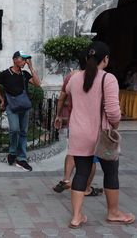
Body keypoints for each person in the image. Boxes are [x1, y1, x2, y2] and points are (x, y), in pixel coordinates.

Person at [65, 41, 135, 228]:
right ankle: (113, 213)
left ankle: (76, 216)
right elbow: (112, 111)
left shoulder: (74, 78)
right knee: (111, 173)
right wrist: (116, 125)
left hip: (79, 134)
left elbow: (69, 98)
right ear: (105, 59)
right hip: (101, 135)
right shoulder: (108, 78)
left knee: (80, 173)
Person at [53, 56, 103, 197]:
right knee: (91, 157)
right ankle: (86, 188)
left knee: (72, 151)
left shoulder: (71, 77)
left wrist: (58, 115)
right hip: (93, 125)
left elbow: (62, 97)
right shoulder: (101, 78)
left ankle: (66, 179)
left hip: (74, 122)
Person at [0, 51, 41, 171]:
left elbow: (38, 84)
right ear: (15, 60)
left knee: (23, 132)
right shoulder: (5, 74)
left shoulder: (24, 74)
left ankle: (22, 158)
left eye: (26, 60)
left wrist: (31, 67)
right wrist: (2, 99)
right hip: (11, 106)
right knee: (15, 130)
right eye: (23, 59)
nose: (24, 61)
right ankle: (12, 152)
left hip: (24, 106)